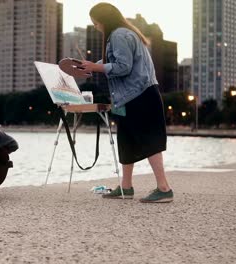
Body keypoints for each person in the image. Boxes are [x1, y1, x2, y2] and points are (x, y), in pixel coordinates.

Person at [78, 3, 173, 203]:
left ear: (102, 19)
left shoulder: (119, 35)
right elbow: (116, 61)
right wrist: (93, 66)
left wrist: (96, 67)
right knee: (126, 140)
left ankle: (164, 188)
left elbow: (123, 66)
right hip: (128, 98)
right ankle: (126, 187)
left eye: (95, 21)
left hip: (139, 96)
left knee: (150, 141)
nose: (95, 26)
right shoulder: (125, 33)